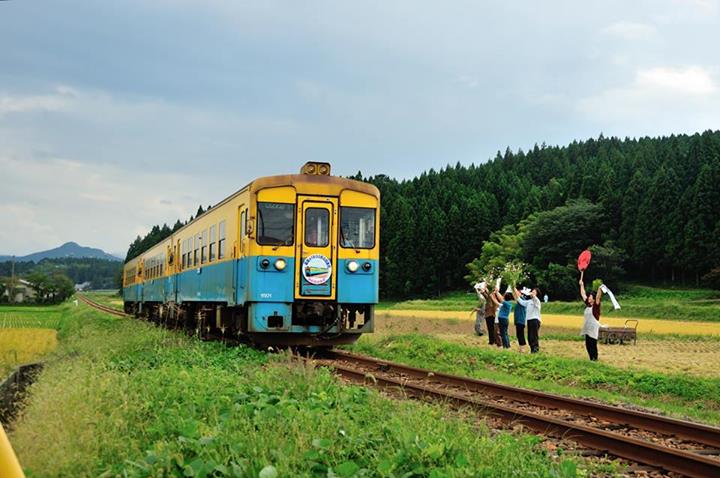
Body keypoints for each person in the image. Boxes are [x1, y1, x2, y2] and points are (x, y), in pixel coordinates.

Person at [579, 271, 603, 361]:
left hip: (593, 328)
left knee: (593, 343)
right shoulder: (588, 305)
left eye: (590, 297)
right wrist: (581, 285)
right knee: (587, 344)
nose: (589, 298)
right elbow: (583, 294)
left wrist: (600, 289)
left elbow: (598, 298)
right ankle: (591, 358)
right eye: (589, 297)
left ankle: (595, 359)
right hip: (587, 327)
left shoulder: (596, 306)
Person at [514, 285, 542, 353]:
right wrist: (514, 289)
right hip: (529, 320)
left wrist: (531, 294)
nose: (532, 293)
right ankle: (532, 349)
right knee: (529, 337)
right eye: (532, 291)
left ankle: (535, 350)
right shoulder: (529, 301)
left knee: (534, 336)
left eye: (534, 292)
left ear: (537, 294)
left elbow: (534, 297)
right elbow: (520, 301)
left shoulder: (537, 301)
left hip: (535, 320)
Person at [513, 287, 529, 353]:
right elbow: (515, 295)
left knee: (521, 335)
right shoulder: (519, 301)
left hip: (521, 320)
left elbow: (516, 295)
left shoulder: (523, 300)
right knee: (518, 335)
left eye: (519, 293)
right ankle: (520, 348)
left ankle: (523, 348)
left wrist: (513, 286)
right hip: (518, 321)